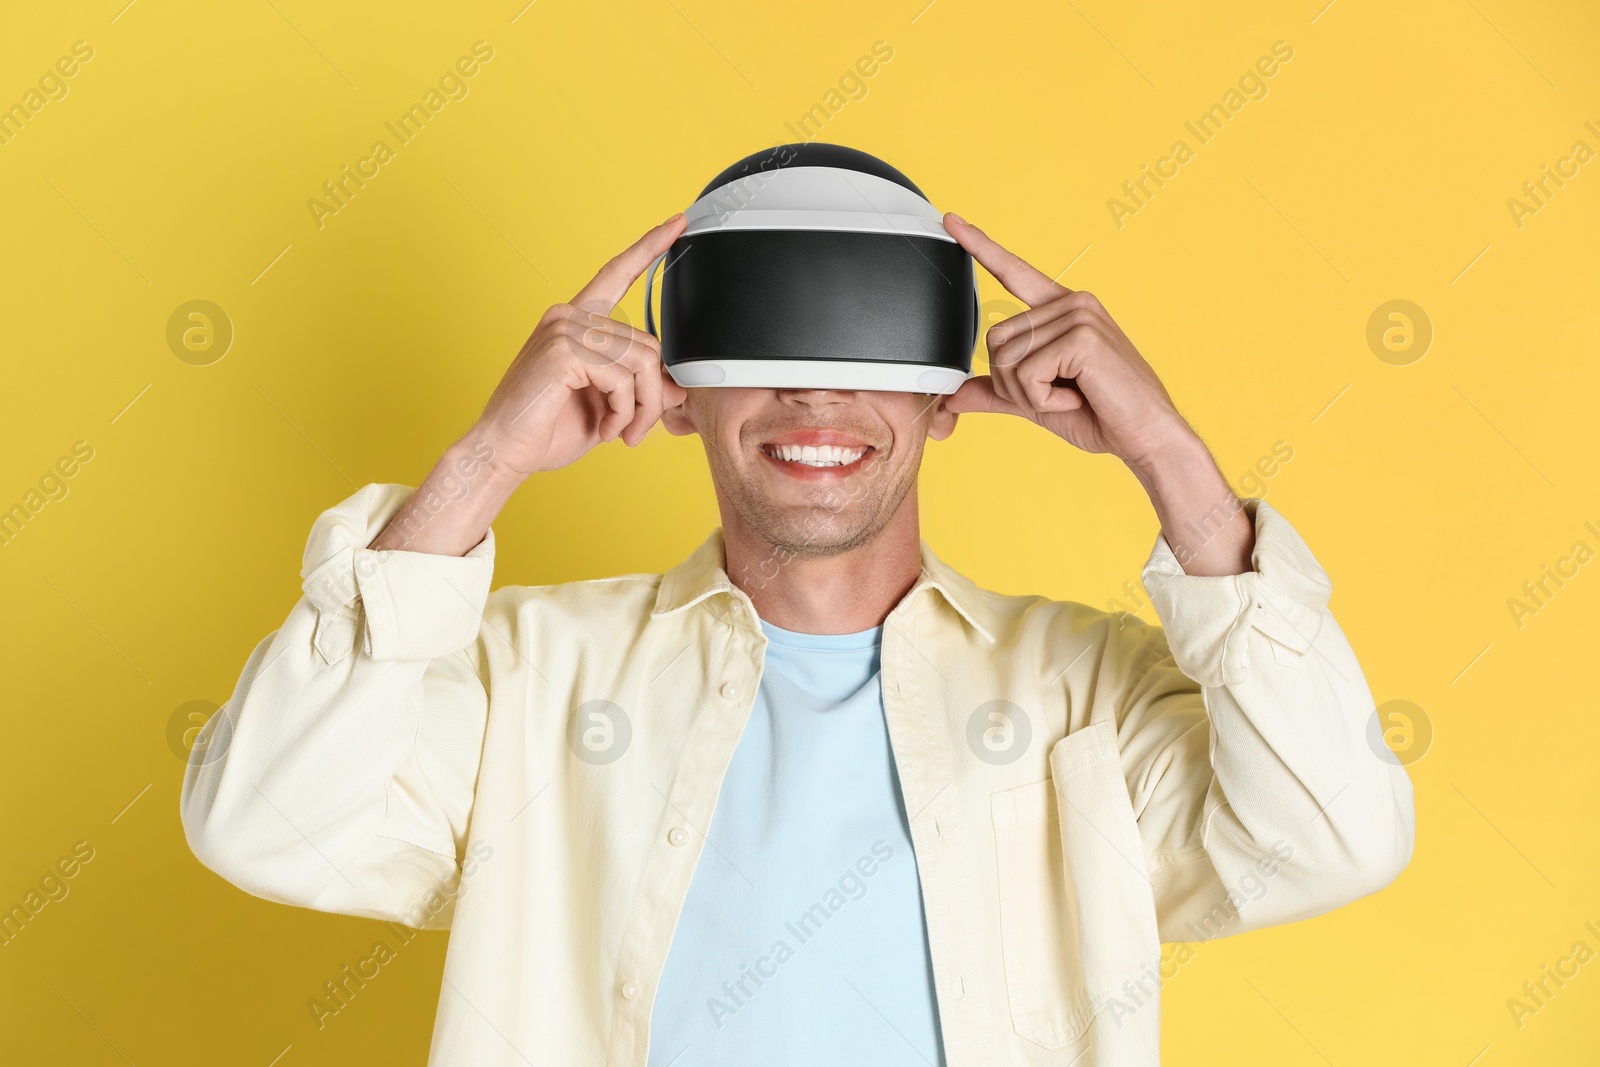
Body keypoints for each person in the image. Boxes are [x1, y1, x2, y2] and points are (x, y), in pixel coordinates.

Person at [181, 201, 1415, 1066]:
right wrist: (481, 465)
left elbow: (1334, 836)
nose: (816, 398)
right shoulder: (527, 679)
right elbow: (264, 823)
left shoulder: (1081, 696)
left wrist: (1169, 458)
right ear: (678, 390)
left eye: (864, 352)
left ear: (944, 404)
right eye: (768, 355)